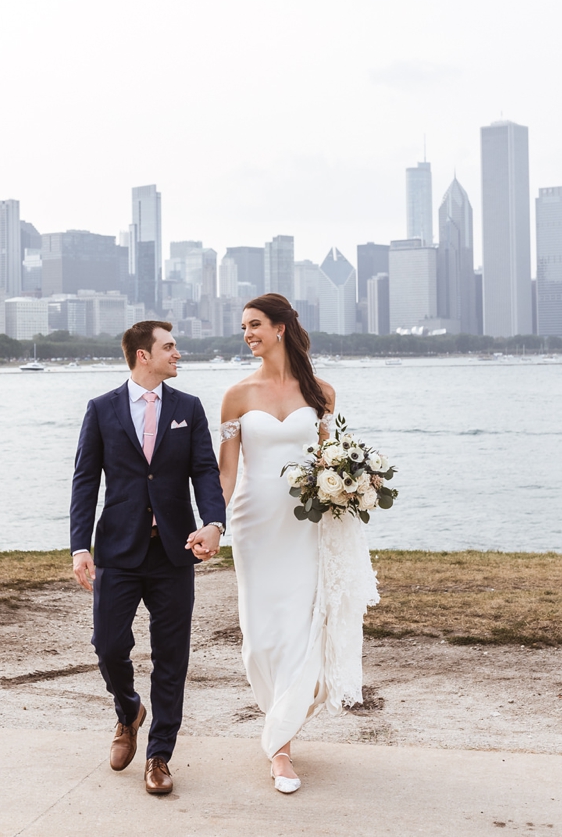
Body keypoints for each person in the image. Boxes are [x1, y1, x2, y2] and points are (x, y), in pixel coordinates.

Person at [216, 293, 378, 794]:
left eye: (256, 325)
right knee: (262, 635)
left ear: (282, 327)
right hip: (255, 525)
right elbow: (225, 474)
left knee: (304, 627)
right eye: (244, 327)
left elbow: (332, 459)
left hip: (307, 527)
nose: (248, 335)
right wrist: (213, 525)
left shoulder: (322, 393)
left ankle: (280, 747)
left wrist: (354, 483)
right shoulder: (236, 397)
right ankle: (280, 726)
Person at [68, 320, 226, 796]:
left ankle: (159, 755)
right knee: (108, 645)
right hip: (117, 549)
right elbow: (84, 481)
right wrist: (80, 547)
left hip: (175, 551)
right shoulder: (101, 410)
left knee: (171, 657)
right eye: (170, 347)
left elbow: (205, 471)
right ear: (143, 355)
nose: (178, 354)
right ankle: (128, 710)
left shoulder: (189, 408)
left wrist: (214, 524)